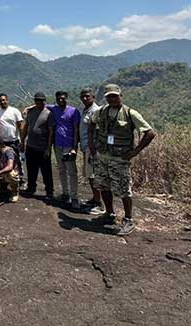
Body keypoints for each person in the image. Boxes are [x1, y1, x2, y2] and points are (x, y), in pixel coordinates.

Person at [89, 84, 155, 236]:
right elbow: (91, 124)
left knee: (124, 190)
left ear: (120, 96)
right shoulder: (101, 111)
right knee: (104, 186)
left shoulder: (130, 113)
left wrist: (135, 151)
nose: (112, 99)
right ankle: (109, 214)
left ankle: (128, 219)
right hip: (103, 156)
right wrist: (92, 145)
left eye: (114, 96)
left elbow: (150, 133)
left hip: (119, 158)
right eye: (109, 96)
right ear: (105, 98)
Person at [50, 91, 82, 210]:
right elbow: (42, 104)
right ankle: (65, 193)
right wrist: (29, 108)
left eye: (63, 98)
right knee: (62, 170)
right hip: (57, 145)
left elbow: (76, 130)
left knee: (71, 171)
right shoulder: (54, 109)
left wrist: (74, 148)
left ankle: (74, 197)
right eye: (59, 99)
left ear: (67, 98)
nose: (61, 100)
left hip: (69, 145)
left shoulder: (73, 111)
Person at [20, 92, 55, 199]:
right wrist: (22, 141)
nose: (39, 102)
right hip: (30, 146)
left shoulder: (49, 114)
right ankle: (31, 188)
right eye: (37, 100)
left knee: (46, 171)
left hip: (43, 147)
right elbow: (26, 127)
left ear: (45, 101)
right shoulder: (31, 112)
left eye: (41, 100)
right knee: (31, 169)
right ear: (34, 101)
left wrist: (48, 149)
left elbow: (51, 132)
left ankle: (49, 192)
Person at [79, 88, 103, 214]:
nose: (84, 98)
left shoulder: (96, 111)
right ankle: (95, 199)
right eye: (82, 96)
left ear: (93, 97)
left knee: (94, 175)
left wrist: (94, 149)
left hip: (92, 148)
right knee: (90, 175)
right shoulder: (86, 110)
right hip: (86, 147)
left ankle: (99, 204)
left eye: (87, 96)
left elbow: (98, 131)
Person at [0, 93, 24, 184]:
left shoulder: (15, 111)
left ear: (7, 100)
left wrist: (22, 141)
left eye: (4, 100)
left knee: (17, 161)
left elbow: (20, 127)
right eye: (0, 101)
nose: (2, 102)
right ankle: (5, 181)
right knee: (3, 162)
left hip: (14, 141)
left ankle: (20, 179)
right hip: (2, 143)